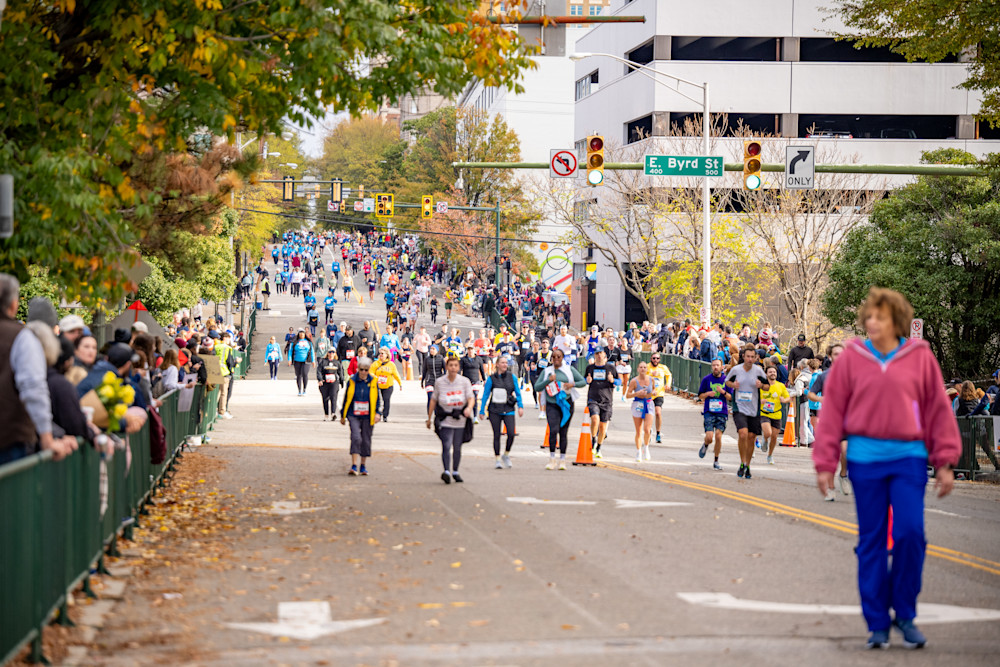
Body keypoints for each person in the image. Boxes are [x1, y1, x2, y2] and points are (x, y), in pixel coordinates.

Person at [813, 288, 960, 650]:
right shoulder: (853, 357)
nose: (873, 322)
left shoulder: (919, 356)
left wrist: (945, 461)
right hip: (865, 460)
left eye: (880, 317)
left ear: (897, 321)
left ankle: (905, 613)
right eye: (869, 316)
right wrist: (825, 462)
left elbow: (937, 409)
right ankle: (877, 621)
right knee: (873, 540)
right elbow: (833, 411)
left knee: (910, 534)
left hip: (909, 458)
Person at [534, 348, 586, 470]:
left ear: (562, 358)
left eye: (559, 356)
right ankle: (552, 458)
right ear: (551, 358)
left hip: (566, 404)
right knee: (553, 430)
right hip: (551, 404)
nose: (556, 359)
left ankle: (562, 460)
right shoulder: (547, 371)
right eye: (554, 357)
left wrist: (572, 384)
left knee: (563, 432)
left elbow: (582, 382)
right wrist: (548, 380)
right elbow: (537, 387)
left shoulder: (569, 370)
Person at [808, 344, 848, 498]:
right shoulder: (823, 376)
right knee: (832, 455)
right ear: (830, 357)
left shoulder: (851, 375)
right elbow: (811, 394)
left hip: (846, 420)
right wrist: (821, 399)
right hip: (829, 419)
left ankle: (843, 475)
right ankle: (831, 488)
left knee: (845, 451)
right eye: (836, 354)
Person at [427, 355, 475, 484]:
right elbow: (433, 400)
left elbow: (471, 398)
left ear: (459, 368)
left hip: (460, 419)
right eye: (451, 365)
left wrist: (469, 408)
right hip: (445, 419)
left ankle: (455, 471)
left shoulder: (464, 381)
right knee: (446, 445)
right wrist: (429, 418)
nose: (453, 368)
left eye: (455, 365)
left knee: (457, 447)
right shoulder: (440, 382)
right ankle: (446, 471)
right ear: (447, 367)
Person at [725, 346, 770, 479]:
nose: (750, 359)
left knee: (751, 437)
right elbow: (727, 381)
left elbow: (767, 386)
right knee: (743, 433)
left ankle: (747, 464)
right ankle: (742, 462)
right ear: (743, 357)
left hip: (754, 408)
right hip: (739, 407)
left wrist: (761, 386)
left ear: (756, 358)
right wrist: (733, 385)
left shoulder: (758, 371)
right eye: (748, 356)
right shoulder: (736, 370)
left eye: (752, 357)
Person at [479, 355, 524, 469]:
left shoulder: (512, 377)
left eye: (506, 363)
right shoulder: (491, 378)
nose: (505, 365)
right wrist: (482, 410)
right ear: (497, 364)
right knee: (497, 435)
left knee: (511, 434)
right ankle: (497, 459)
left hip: (508, 408)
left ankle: (506, 454)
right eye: (502, 363)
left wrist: (520, 406)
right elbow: (485, 395)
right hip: (494, 410)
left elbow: (518, 392)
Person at [340, 356, 381, 476]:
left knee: (366, 439)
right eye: (361, 369)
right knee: (356, 437)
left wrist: (378, 413)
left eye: (366, 370)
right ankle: (353, 465)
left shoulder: (373, 381)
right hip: (353, 414)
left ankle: (363, 465)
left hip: (368, 415)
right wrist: (343, 415)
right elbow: (346, 398)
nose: (363, 372)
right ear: (358, 369)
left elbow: (377, 399)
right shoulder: (352, 381)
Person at [697, 359, 732, 470]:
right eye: (713, 365)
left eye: (717, 365)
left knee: (718, 436)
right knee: (709, 437)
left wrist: (723, 392)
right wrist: (707, 394)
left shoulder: (726, 380)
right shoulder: (706, 379)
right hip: (709, 411)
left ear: (722, 367)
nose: (715, 367)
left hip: (722, 412)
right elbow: (700, 395)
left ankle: (716, 460)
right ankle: (706, 444)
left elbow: (730, 398)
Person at [584, 348, 617, 459]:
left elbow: (619, 381)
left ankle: (598, 447)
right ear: (594, 355)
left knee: (603, 427)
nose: (599, 356)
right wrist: (587, 380)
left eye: (600, 353)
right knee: (594, 419)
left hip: (607, 400)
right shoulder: (590, 368)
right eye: (597, 353)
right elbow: (584, 379)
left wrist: (612, 380)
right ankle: (593, 440)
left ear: (604, 355)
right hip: (593, 398)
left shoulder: (610, 368)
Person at [759, 365, 791, 465]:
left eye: (774, 372)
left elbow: (788, 397)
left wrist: (784, 400)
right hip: (764, 413)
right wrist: (760, 401)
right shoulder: (762, 386)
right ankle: (765, 439)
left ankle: (770, 455)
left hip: (776, 413)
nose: (772, 373)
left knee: (774, 437)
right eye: (770, 372)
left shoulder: (780, 385)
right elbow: (755, 397)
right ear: (766, 374)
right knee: (768, 433)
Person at [626, 361, 655, 462]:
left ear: (647, 369)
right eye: (641, 367)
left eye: (644, 367)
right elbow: (628, 395)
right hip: (638, 404)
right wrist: (637, 393)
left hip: (649, 404)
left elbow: (653, 390)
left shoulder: (651, 379)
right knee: (638, 431)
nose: (643, 369)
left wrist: (653, 392)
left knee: (647, 429)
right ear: (638, 369)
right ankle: (638, 451)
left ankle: (646, 447)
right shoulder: (634, 381)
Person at [371, 347, 403, 422]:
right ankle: (376, 413)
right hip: (378, 385)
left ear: (387, 355)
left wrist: (400, 384)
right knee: (376, 400)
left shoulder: (391, 364)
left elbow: (396, 374)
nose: (381, 355)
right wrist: (374, 376)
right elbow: (371, 372)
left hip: (388, 386)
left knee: (386, 400)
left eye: (382, 353)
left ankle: (385, 415)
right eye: (380, 353)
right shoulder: (376, 363)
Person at [646, 353, 672, 444]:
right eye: (654, 358)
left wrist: (668, 384)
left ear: (659, 359)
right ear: (651, 358)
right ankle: (648, 431)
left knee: (658, 412)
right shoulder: (647, 367)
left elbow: (669, 375)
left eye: (657, 358)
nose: (655, 360)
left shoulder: (663, 367)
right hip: (648, 393)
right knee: (648, 414)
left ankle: (658, 433)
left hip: (659, 393)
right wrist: (650, 374)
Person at [317, 348, 344, 421]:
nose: (331, 354)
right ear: (327, 353)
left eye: (333, 352)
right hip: (325, 383)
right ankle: (326, 414)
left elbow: (340, 372)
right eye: (330, 352)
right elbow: (319, 371)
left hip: (334, 383)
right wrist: (320, 379)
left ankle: (333, 413)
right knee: (325, 398)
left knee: (333, 397)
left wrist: (341, 382)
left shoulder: (337, 362)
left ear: (335, 353)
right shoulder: (323, 362)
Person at [289, 329, 316, 396]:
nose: (301, 335)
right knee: (298, 375)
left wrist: (313, 361)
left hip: (306, 361)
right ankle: (299, 390)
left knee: (305, 374)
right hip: (297, 360)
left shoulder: (308, 342)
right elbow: (290, 351)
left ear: (305, 334)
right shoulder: (294, 342)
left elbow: (312, 351)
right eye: (300, 333)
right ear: (298, 334)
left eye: (303, 333)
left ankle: (304, 389)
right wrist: (289, 359)